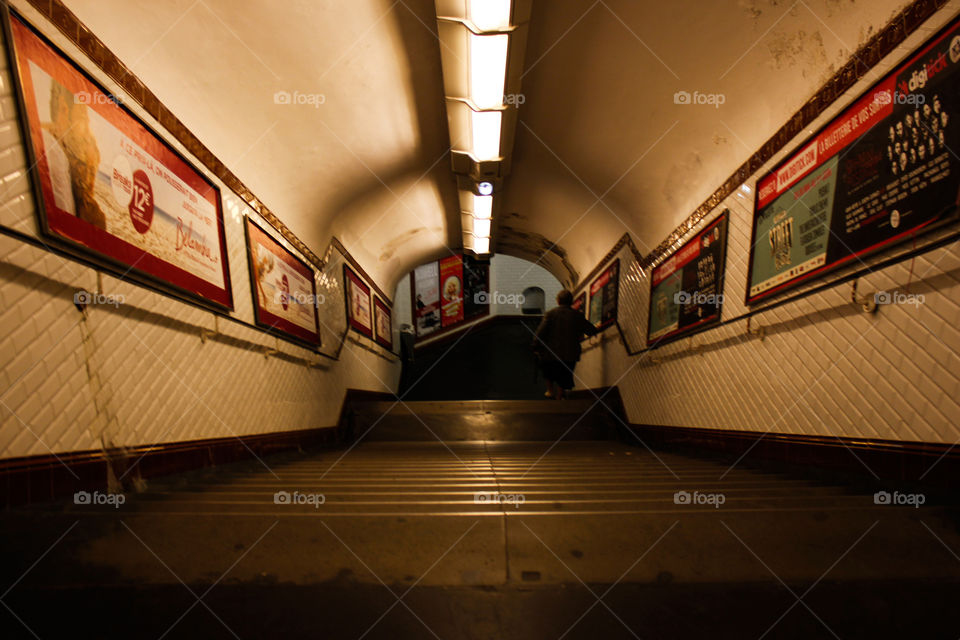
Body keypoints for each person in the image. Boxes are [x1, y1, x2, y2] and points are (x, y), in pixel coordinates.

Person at [532, 289, 600, 399]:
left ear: (558, 301)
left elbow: (541, 331)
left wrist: (535, 344)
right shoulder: (577, 315)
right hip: (570, 352)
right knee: (565, 374)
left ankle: (550, 391)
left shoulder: (551, 314)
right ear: (571, 301)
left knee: (549, 371)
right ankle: (560, 394)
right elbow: (590, 329)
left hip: (550, 353)